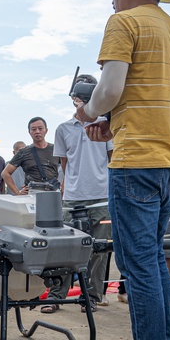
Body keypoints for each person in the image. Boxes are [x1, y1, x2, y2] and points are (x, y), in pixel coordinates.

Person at [76, 0, 170, 340]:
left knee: (136, 264)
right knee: (154, 263)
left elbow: (109, 88)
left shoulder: (124, 24)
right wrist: (113, 119)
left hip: (136, 160)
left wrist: (88, 112)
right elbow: (148, 95)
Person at [44, 74, 113, 313]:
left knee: (99, 250)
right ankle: (56, 295)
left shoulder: (107, 125)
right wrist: (71, 185)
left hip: (102, 195)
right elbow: (65, 164)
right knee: (64, 248)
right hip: (72, 197)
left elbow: (111, 159)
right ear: (74, 98)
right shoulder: (63, 129)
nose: (83, 100)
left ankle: (91, 296)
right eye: (80, 96)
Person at [3, 118, 60, 195]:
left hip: (53, 193)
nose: (37, 131)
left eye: (40, 128)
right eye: (33, 129)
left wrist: (63, 185)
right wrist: (17, 192)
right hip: (32, 194)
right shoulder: (23, 152)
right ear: (29, 132)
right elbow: (5, 173)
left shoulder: (56, 149)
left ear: (46, 130)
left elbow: (68, 169)